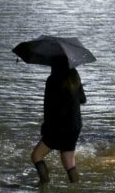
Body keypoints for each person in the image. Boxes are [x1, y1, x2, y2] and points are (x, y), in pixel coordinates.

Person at [31, 56, 87, 184]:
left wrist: (45, 127)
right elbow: (83, 100)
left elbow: (49, 106)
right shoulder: (75, 77)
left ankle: (43, 188)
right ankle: (74, 191)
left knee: (36, 156)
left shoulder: (52, 80)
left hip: (58, 126)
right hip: (75, 126)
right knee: (68, 161)